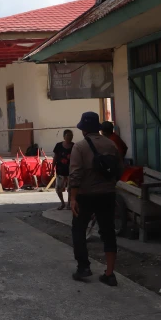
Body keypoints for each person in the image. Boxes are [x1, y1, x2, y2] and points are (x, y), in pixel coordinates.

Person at [70, 112, 123, 286]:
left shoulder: (79, 147)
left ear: (84, 129)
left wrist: (73, 198)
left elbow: (75, 175)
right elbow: (119, 169)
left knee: (79, 230)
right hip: (107, 194)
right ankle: (110, 273)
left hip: (85, 195)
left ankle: (83, 267)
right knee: (108, 232)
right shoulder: (111, 144)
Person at [52, 130, 74, 210]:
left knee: (70, 188)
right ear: (64, 136)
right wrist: (52, 169)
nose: (70, 137)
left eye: (71, 135)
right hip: (60, 170)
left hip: (71, 171)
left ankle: (69, 204)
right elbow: (55, 158)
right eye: (68, 135)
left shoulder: (74, 146)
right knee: (58, 188)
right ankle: (62, 203)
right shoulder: (58, 146)